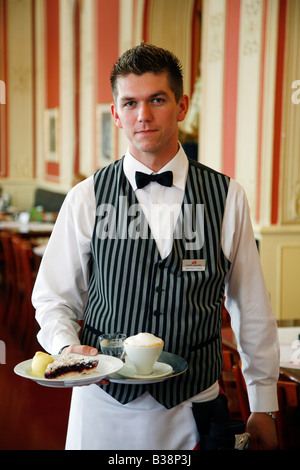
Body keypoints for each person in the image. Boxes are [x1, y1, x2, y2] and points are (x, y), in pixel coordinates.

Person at [32, 42, 279, 450]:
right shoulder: (86, 197)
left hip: (193, 406)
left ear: (181, 106)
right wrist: (65, 348)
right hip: (102, 406)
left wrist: (264, 403)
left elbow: (251, 308)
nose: (142, 116)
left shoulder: (227, 196)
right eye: (129, 103)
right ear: (115, 114)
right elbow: (53, 298)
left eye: (156, 100)